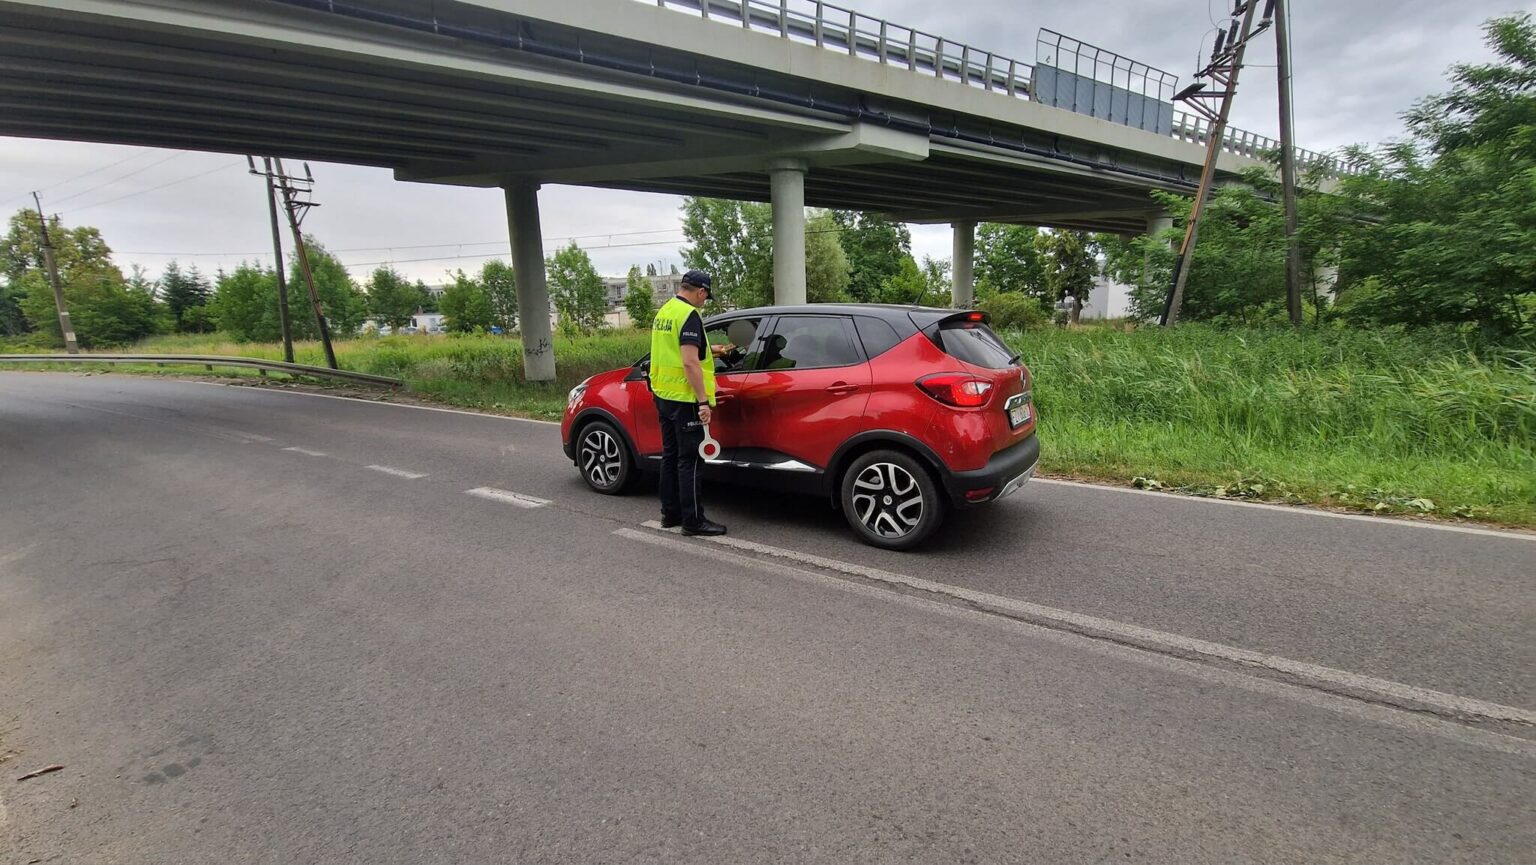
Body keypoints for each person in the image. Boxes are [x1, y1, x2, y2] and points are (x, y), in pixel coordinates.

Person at [648, 269, 727, 537]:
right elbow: (689, 362)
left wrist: (711, 349)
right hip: (685, 399)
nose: (704, 302)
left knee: (669, 456)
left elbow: (675, 349)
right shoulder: (690, 315)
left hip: (664, 396)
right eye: (706, 297)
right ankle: (693, 521)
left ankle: (669, 514)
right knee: (690, 460)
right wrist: (703, 402)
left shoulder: (666, 312)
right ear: (700, 291)